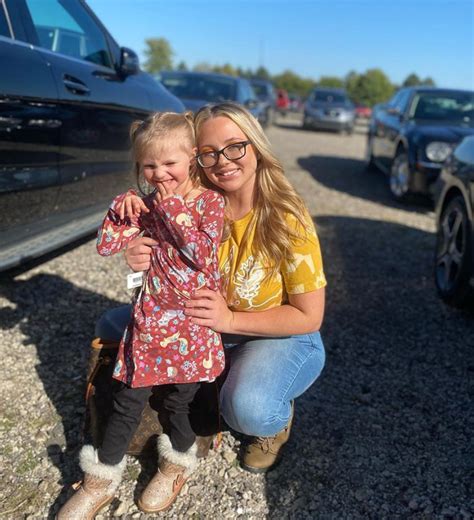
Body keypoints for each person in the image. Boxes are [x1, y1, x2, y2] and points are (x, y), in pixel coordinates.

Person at [93, 101, 325, 488]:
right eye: (208, 153)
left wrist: (230, 320)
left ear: (256, 146)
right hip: (202, 321)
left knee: (246, 408)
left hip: (276, 331)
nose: (223, 161)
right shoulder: (194, 202)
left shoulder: (287, 218)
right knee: (111, 326)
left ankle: (274, 420)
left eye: (235, 146)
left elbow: (309, 316)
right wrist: (139, 252)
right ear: (193, 157)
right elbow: (150, 239)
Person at [57, 112, 226, 519]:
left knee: (177, 403)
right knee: (126, 399)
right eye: (149, 166)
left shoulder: (208, 202)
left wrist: (171, 211)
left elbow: (201, 253)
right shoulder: (146, 202)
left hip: (191, 326)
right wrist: (122, 211)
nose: (159, 174)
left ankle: (175, 465)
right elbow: (106, 245)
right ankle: (99, 481)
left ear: (192, 158)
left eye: (169, 164)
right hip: (149, 325)